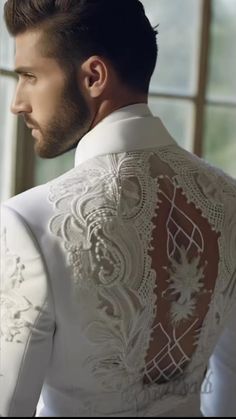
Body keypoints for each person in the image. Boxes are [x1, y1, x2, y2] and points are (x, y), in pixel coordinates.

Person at [0, 0, 235, 417]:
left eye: (30, 76)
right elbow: (229, 384)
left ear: (93, 76)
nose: (17, 103)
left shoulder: (28, 223)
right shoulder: (229, 198)